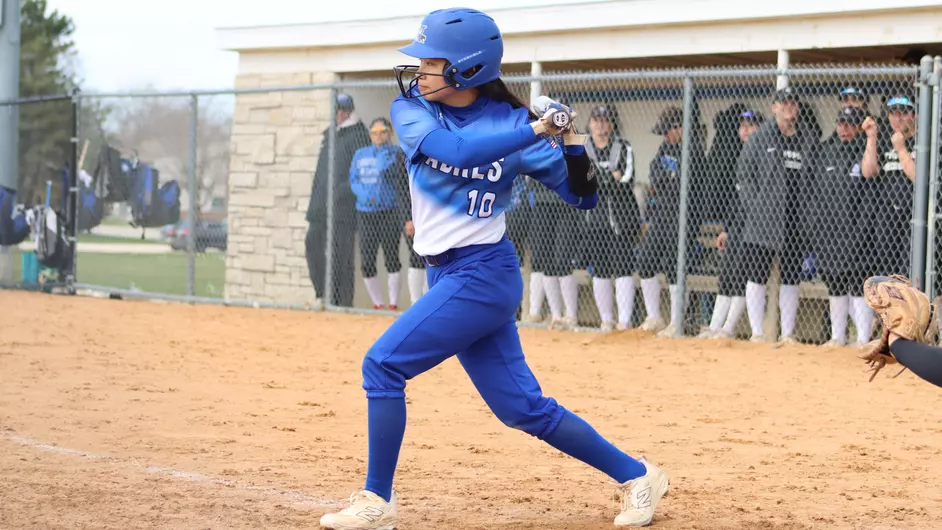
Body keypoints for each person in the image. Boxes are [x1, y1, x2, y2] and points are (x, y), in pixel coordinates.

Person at [318, 8, 669, 530]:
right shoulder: (414, 110)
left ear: (467, 68)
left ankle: (376, 500)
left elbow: (583, 196)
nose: (420, 72)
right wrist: (534, 128)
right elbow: (455, 151)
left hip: (483, 273)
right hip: (448, 275)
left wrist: (569, 141)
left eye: (432, 62)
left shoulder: (510, 124)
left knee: (383, 365)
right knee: (521, 408)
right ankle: (639, 474)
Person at [736, 87, 818, 344]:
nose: (788, 108)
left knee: (791, 276)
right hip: (764, 221)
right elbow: (744, 176)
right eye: (783, 103)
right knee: (756, 275)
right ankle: (758, 332)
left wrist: (811, 212)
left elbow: (815, 180)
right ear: (774, 107)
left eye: (793, 103)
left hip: (795, 219)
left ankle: (788, 333)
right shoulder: (760, 139)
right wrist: (756, 207)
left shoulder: (808, 139)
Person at [803, 107, 875, 347]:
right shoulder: (827, 152)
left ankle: (863, 338)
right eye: (841, 123)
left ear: (858, 127)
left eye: (850, 124)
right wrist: (814, 226)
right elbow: (813, 193)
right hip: (828, 233)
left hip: (856, 231)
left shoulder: (864, 150)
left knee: (856, 284)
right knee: (834, 284)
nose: (844, 128)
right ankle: (837, 336)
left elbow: (869, 173)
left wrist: (870, 138)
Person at [636, 106, 705, 336]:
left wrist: (668, 181)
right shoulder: (666, 146)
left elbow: (684, 185)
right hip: (663, 214)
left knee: (674, 267)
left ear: (681, 128)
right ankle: (654, 317)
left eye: (669, 130)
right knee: (645, 261)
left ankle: (677, 323)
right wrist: (668, 180)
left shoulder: (693, 148)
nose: (665, 135)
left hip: (685, 217)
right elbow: (655, 173)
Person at [700, 107, 763, 339]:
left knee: (740, 276)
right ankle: (715, 326)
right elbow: (735, 199)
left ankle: (728, 328)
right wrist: (727, 228)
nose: (746, 129)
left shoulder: (763, 155)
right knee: (726, 276)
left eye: (751, 125)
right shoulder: (738, 154)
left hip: (754, 226)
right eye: (743, 125)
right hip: (737, 224)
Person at [306, 93, 370, 307]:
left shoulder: (359, 135)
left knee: (341, 256)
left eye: (341, 110)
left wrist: (340, 192)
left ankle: (342, 303)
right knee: (312, 244)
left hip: (343, 208)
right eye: (336, 110)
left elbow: (360, 173)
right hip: (320, 206)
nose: (338, 114)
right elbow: (320, 174)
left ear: (348, 111)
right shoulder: (330, 135)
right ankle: (323, 294)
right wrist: (315, 201)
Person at [582, 104, 642, 332]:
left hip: (622, 217)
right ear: (590, 124)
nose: (601, 125)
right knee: (601, 268)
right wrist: (606, 175)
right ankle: (606, 319)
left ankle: (624, 321)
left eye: (605, 120)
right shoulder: (582, 148)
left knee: (623, 266)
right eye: (596, 120)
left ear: (612, 124)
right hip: (595, 218)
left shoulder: (624, 147)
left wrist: (598, 176)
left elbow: (625, 177)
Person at [350, 117, 406, 310]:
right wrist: (365, 195)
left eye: (382, 132)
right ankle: (378, 303)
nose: (378, 136)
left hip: (389, 211)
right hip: (366, 212)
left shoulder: (396, 153)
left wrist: (384, 153)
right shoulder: (360, 154)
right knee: (367, 260)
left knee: (391, 257)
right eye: (374, 132)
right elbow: (354, 179)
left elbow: (386, 171)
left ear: (390, 133)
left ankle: (392, 303)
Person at [861, 94, 917, 279]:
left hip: (912, 217)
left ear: (914, 115)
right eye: (893, 113)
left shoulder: (921, 142)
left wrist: (901, 150)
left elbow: (917, 176)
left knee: (907, 273)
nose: (898, 118)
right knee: (887, 274)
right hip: (887, 216)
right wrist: (871, 137)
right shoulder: (887, 140)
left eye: (904, 113)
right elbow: (868, 171)